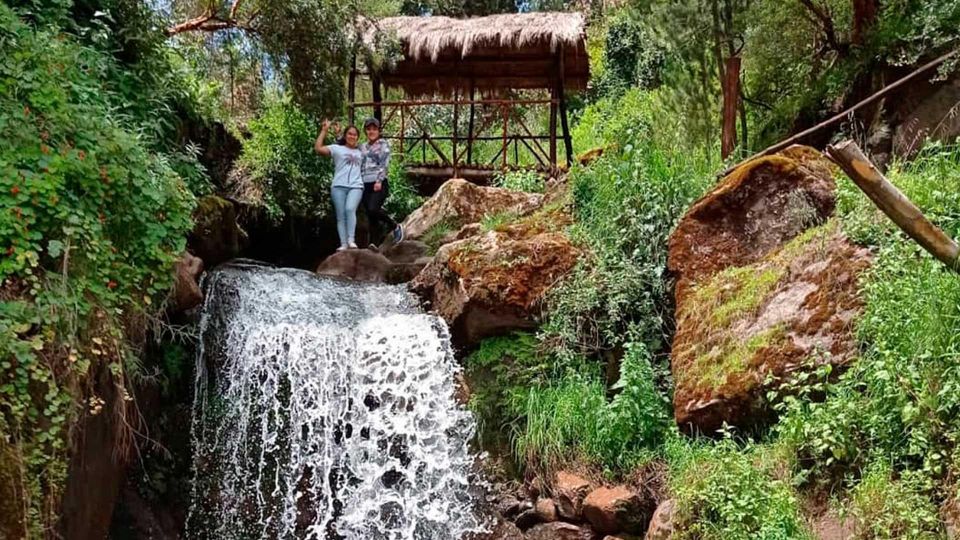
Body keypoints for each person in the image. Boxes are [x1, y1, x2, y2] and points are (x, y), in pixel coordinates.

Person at [315, 119, 363, 250]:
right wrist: (324, 130)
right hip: (338, 186)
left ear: (358, 137)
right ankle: (343, 244)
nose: (352, 136)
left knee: (350, 209)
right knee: (341, 215)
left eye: (355, 134)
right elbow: (318, 148)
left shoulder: (361, 151)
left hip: (356, 186)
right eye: (350, 134)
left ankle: (351, 240)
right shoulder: (337, 149)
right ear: (345, 136)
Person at [359, 117, 404, 247]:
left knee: (373, 209)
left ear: (379, 131)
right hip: (364, 183)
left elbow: (384, 164)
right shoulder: (363, 146)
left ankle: (395, 226)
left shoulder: (383, 144)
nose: (371, 131)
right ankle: (373, 243)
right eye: (368, 129)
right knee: (370, 216)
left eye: (374, 129)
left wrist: (379, 180)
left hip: (378, 183)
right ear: (365, 131)